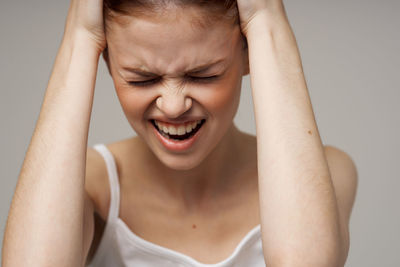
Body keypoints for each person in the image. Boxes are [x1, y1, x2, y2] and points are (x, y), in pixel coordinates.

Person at [2, 0, 358, 266]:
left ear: (250, 56)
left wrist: (266, 21)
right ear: (108, 62)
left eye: (204, 75)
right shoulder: (94, 185)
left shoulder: (328, 171)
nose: (173, 106)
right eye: (142, 78)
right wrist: (80, 38)